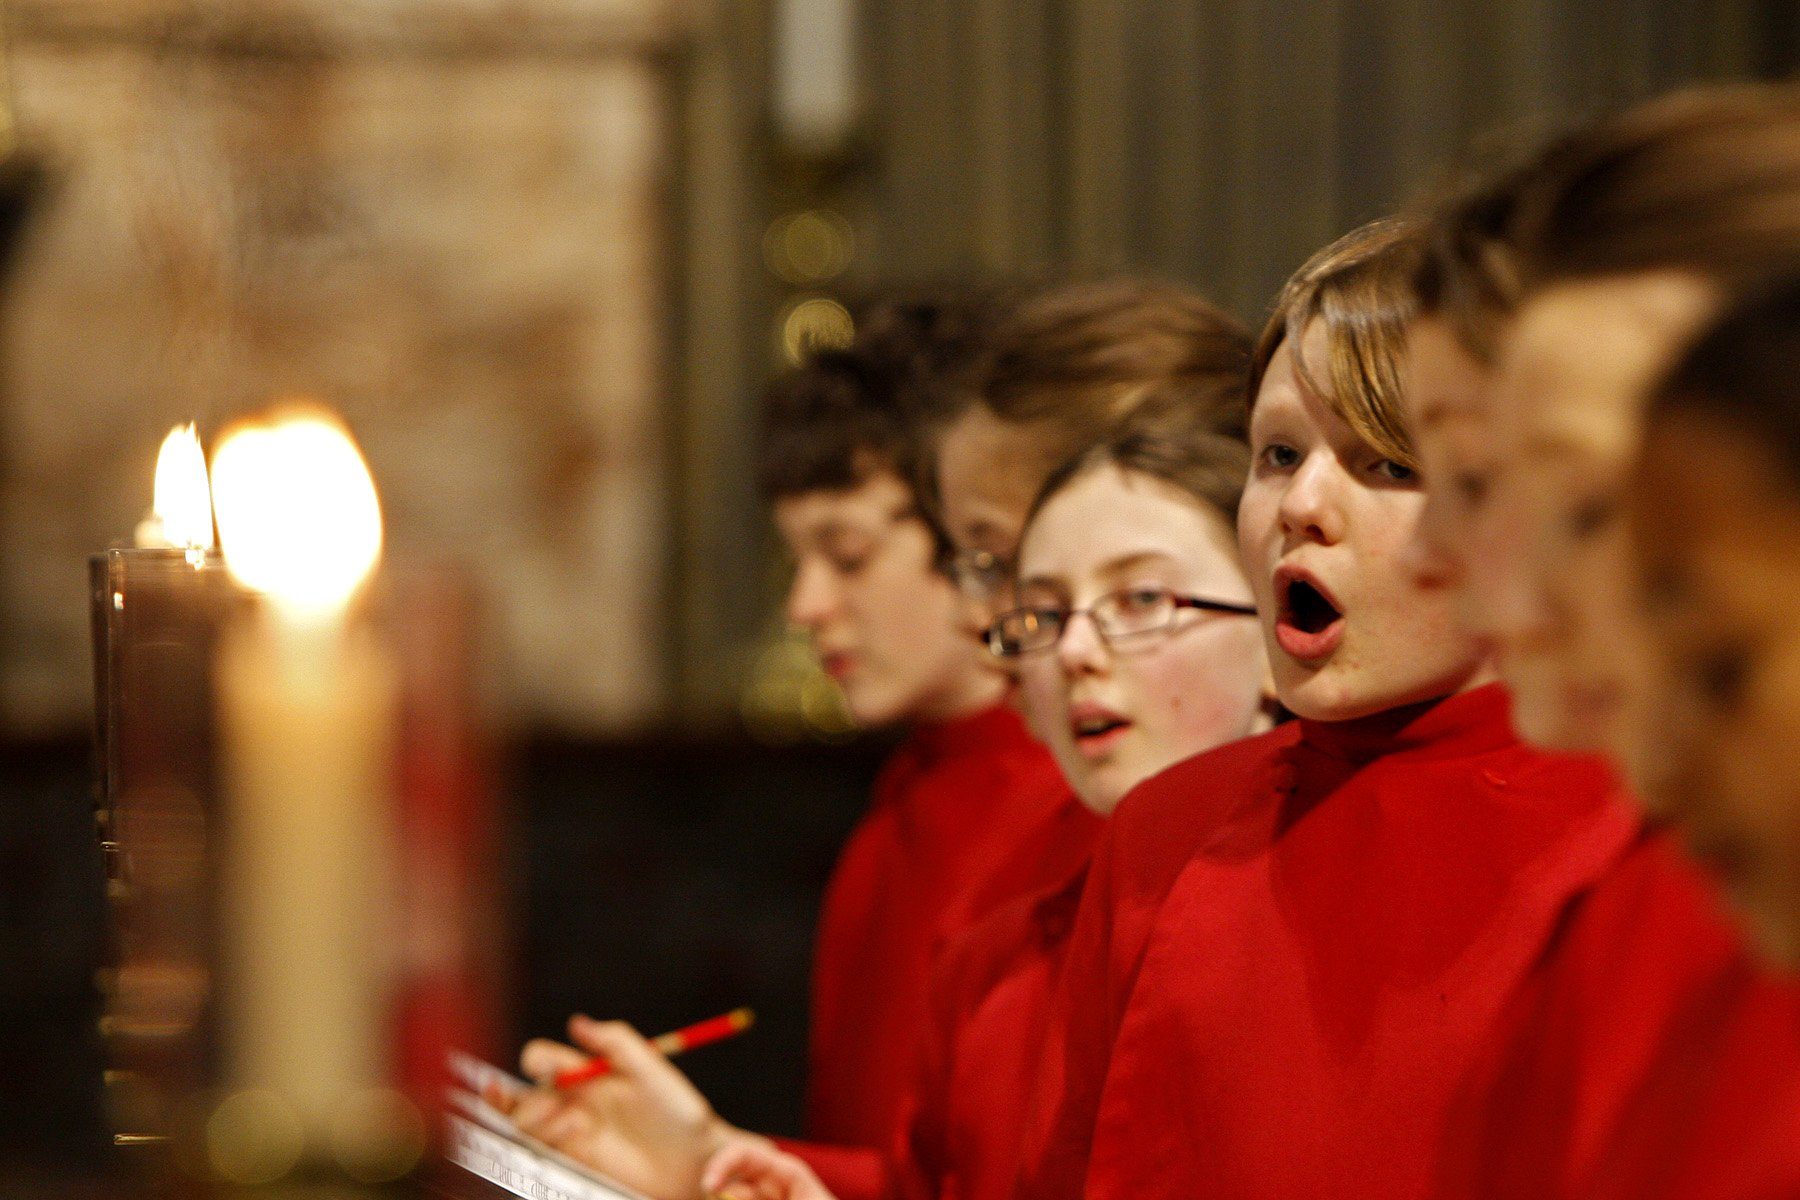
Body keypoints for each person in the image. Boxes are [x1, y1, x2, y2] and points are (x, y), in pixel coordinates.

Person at [1010, 217, 1640, 1200]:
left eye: (1386, 464)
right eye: (1276, 455)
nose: (1303, 503)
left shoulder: (1646, 843)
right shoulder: (1164, 839)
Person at [489, 293, 1073, 1200]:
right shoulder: (914, 787)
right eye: (796, 560)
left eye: (846, 555)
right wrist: (698, 1157)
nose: (805, 607)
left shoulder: (1069, 805)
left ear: (980, 534)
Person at [705, 427, 1274, 1200]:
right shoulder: (993, 966)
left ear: (1278, 631)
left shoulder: (1329, 930)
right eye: (1042, 615)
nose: (1075, 651)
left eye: (1141, 599)